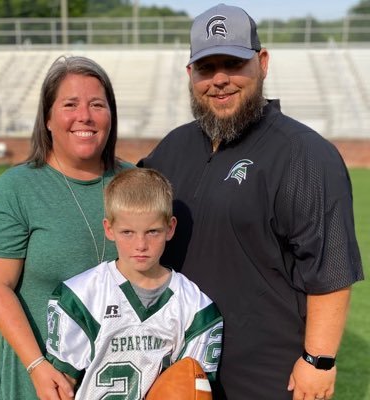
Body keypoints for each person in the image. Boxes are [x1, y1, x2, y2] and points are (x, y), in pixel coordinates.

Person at [138, 4, 364, 400]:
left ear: (262, 62)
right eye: (207, 68)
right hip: (177, 366)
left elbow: (329, 268)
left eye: (234, 63)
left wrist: (319, 361)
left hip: (266, 374)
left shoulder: (303, 154)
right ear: (191, 75)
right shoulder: (171, 149)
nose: (220, 79)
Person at [0, 55, 133, 400]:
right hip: (44, 385)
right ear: (47, 118)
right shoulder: (16, 189)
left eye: (97, 104)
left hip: (122, 383)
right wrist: (37, 366)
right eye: (70, 105)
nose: (84, 116)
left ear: (111, 115)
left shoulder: (135, 183)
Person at [45, 168, 223, 399]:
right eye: (128, 232)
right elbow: (62, 385)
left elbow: (193, 388)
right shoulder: (82, 295)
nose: (141, 244)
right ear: (109, 229)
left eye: (152, 232)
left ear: (170, 228)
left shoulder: (194, 306)